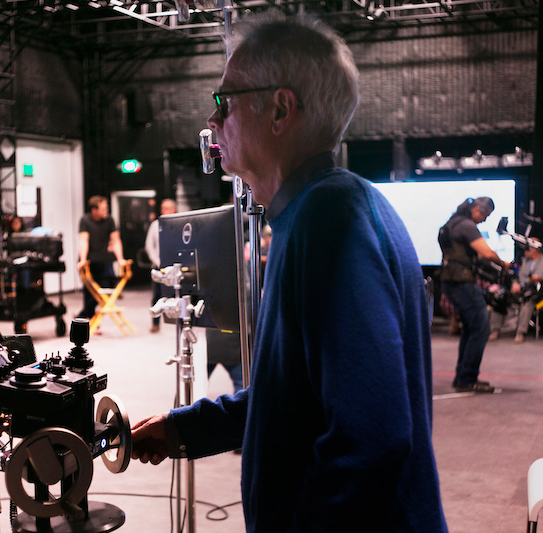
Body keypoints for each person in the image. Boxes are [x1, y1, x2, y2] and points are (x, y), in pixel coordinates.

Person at [129, 13, 448, 532]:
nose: (212, 121)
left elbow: (371, 436)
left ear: (280, 109)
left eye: (223, 102)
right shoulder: (322, 211)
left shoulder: (330, 219)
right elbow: (300, 399)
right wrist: (187, 429)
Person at [438, 196, 511, 393]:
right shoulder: (466, 225)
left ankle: (463, 376)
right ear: (478, 209)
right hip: (462, 283)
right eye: (485, 215)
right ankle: (467, 378)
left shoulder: (451, 223)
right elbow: (486, 253)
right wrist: (503, 263)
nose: (485, 220)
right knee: (480, 328)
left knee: (471, 329)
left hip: (451, 281)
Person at [489, 238, 543, 344]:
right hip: (520, 290)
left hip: (538, 294)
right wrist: (515, 283)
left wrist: (539, 278)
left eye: (527, 248)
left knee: (528, 300)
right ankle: (494, 329)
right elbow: (517, 277)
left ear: (534, 249)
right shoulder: (525, 262)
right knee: (499, 297)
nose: (525, 251)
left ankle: (521, 332)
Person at [77, 195, 127, 320]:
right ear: (94, 210)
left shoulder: (109, 220)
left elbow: (115, 241)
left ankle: (83, 316)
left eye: (106, 208)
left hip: (103, 261)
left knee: (105, 290)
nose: (106, 211)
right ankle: (89, 320)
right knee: (90, 293)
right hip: (89, 261)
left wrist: (120, 259)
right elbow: (84, 240)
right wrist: (83, 260)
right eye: (103, 209)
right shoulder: (85, 220)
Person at [144, 198, 177, 333]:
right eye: (163, 208)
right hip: (160, 266)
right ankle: (155, 323)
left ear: (174, 209)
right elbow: (149, 246)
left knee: (178, 295)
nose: (165, 211)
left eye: (168, 208)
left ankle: (179, 321)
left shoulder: (179, 224)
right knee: (157, 295)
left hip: (176, 266)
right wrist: (157, 261)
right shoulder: (155, 225)